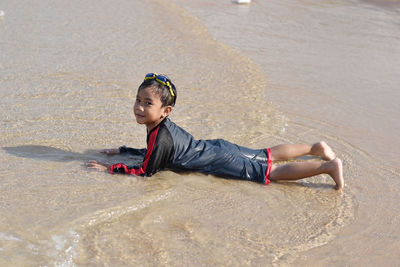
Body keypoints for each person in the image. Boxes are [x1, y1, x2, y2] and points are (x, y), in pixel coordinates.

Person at [87, 73, 344, 189]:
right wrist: (123, 150)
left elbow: (146, 171)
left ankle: (326, 167)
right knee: (266, 154)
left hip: (220, 158)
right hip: (220, 148)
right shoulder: (161, 129)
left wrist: (110, 169)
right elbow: (154, 154)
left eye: (147, 103)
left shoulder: (159, 135)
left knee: (270, 172)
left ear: (166, 111)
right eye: (138, 100)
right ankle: (314, 148)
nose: (139, 108)